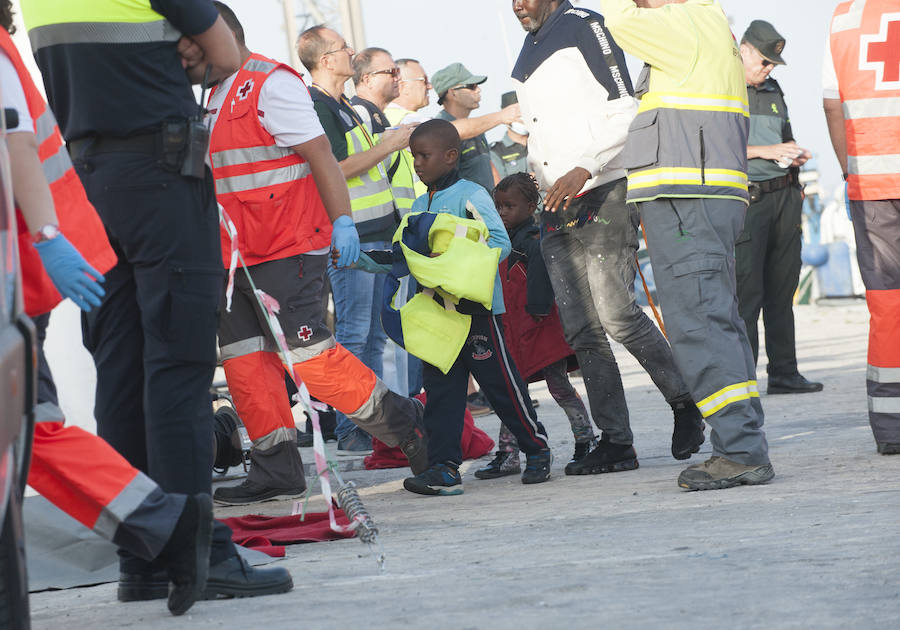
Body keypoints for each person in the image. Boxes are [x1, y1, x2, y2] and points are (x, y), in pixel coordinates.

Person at [20, 0, 292, 601]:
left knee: (119, 369)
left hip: (88, 184)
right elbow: (227, 54)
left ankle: (141, 554)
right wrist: (183, 53)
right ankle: (201, 553)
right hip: (162, 176)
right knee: (179, 367)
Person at [1, 8, 211, 615]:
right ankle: (166, 529)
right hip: (49, 252)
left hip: (26, 265)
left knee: (31, 425)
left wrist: (46, 236)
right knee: (34, 425)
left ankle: (166, 528)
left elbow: (15, 141)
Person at [207, 3, 427, 505]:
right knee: (246, 365)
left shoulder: (270, 83)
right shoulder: (210, 95)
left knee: (311, 358)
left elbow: (322, 157)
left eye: (190, 43)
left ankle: (404, 423)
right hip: (231, 258)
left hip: (286, 248)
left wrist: (343, 221)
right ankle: (275, 468)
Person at [511, 0, 705, 476]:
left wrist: (585, 165)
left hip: (602, 190)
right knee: (581, 330)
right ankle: (617, 442)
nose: (518, 4)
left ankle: (685, 403)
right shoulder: (528, 44)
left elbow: (625, 107)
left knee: (617, 315)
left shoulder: (586, 26)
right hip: (556, 200)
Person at [601, 0, 774, 490]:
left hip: (688, 201)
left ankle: (740, 449)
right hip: (694, 199)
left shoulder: (686, 20)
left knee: (700, 324)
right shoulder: (702, 23)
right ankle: (740, 442)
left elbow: (618, 20)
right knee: (715, 320)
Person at [401, 119, 553, 496]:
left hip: (476, 311)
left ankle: (536, 449)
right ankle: (444, 469)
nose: (417, 163)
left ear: (451, 157)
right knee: (441, 393)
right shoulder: (420, 205)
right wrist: (358, 259)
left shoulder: (472, 194)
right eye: (413, 156)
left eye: (424, 155)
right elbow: (403, 254)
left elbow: (499, 243)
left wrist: (453, 258)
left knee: (500, 385)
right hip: (438, 314)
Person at [298, 25, 414, 456]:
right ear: (326, 61)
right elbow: (335, 169)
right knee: (353, 335)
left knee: (374, 337)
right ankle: (351, 429)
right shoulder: (316, 106)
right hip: (354, 240)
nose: (351, 52)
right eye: (342, 49)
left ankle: (373, 426)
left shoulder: (342, 105)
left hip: (375, 236)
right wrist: (388, 146)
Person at [475, 173, 595, 479]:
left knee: (559, 387)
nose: (502, 212)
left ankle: (585, 440)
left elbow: (540, 278)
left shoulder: (532, 240)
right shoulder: (499, 240)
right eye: (498, 206)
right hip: (513, 331)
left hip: (539, 328)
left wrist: (538, 309)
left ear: (531, 207)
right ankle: (508, 453)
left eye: (509, 206)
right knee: (512, 393)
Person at [823, 0, 900, 455]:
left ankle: (891, 429)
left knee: (887, 305)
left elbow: (833, 107)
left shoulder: (843, 17)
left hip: (870, 183)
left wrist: (849, 170)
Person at [736, 20, 822, 395]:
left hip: (785, 196)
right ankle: (744, 380)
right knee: (747, 294)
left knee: (782, 290)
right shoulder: (724, 91)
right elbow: (712, 150)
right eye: (765, 61)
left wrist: (794, 152)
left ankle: (785, 372)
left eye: (774, 63)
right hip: (749, 200)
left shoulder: (774, 89)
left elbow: (784, 137)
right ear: (744, 51)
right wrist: (764, 152)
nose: (769, 69)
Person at [432, 62, 522, 193]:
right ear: (453, 93)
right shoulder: (439, 125)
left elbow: (487, 168)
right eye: (472, 86)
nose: (478, 89)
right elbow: (451, 130)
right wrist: (501, 116)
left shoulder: (477, 127)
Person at [350, 47, 418, 214]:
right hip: (376, 224)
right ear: (368, 79)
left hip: (395, 222)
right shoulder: (360, 115)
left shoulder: (377, 115)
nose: (398, 78)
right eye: (392, 72)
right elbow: (352, 165)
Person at [489, 92, 529, 182]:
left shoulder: (541, 144)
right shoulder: (496, 152)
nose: (522, 119)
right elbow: (501, 189)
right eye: (517, 115)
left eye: (524, 113)